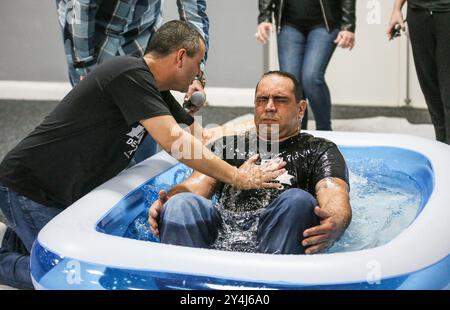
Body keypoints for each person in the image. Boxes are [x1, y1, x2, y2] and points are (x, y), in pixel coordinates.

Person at [0, 21, 285, 289]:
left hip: (60, 190)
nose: (198, 76)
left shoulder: (155, 91)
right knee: (74, 276)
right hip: (31, 189)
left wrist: (267, 127)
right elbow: (176, 142)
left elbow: (204, 138)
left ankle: (12, 245)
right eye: (198, 65)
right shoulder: (128, 73)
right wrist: (238, 177)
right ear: (180, 57)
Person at [148, 71, 352, 255]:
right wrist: (167, 202)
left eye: (280, 100)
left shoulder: (319, 150)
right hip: (223, 233)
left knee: (298, 201)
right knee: (180, 204)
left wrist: (334, 221)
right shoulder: (228, 145)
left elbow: (334, 193)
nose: (269, 107)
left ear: (301, 109)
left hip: (279, 236)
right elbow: (196, 184)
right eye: (262, 99)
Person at [56, 0, 210, 162]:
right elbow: (80, 7)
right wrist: (84, 66)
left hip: (141, 34)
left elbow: (193, 13)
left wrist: (196, 73)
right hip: (92, 40)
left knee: (142, 139)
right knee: (98, 142)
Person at [255, 0, 356, 131]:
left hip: (325, 22)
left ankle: (324, 130)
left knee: (311, 78)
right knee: (291, 82)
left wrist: (348, 25)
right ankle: (297, 131)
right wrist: (265, 17)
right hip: (289, 22)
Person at [388, 0, 450, 145]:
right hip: (418, 13)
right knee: (429, 85)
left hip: (447, 12)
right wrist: (396, 9)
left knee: (448, 89)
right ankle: (442, 144)